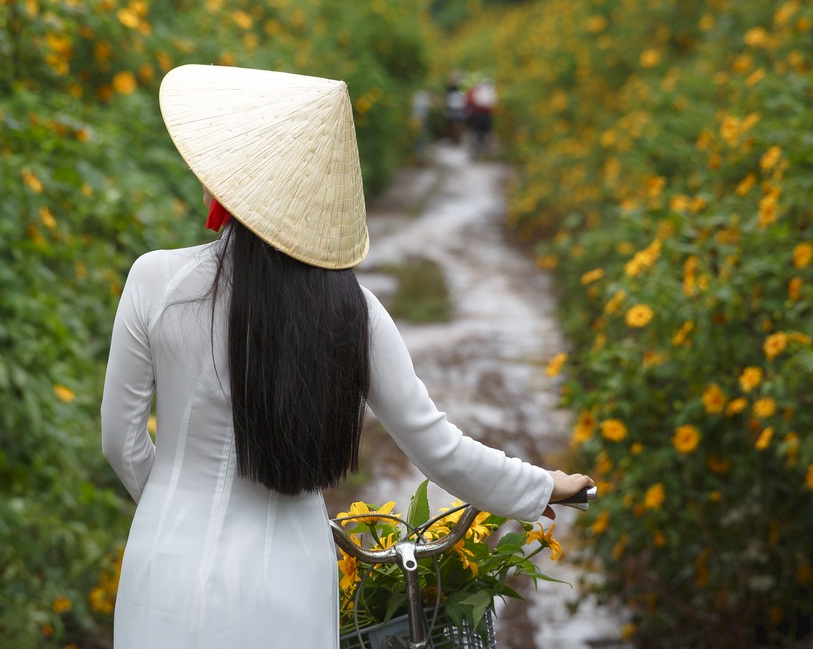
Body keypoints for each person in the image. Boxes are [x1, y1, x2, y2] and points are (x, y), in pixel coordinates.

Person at [101, 64, 594, 649]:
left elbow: (122, 443)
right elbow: (439, 447)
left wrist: (172, 505)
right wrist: (542, 486)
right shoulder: (353, 312)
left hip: (164, 575)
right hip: (285, 586)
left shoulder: (156, 280)